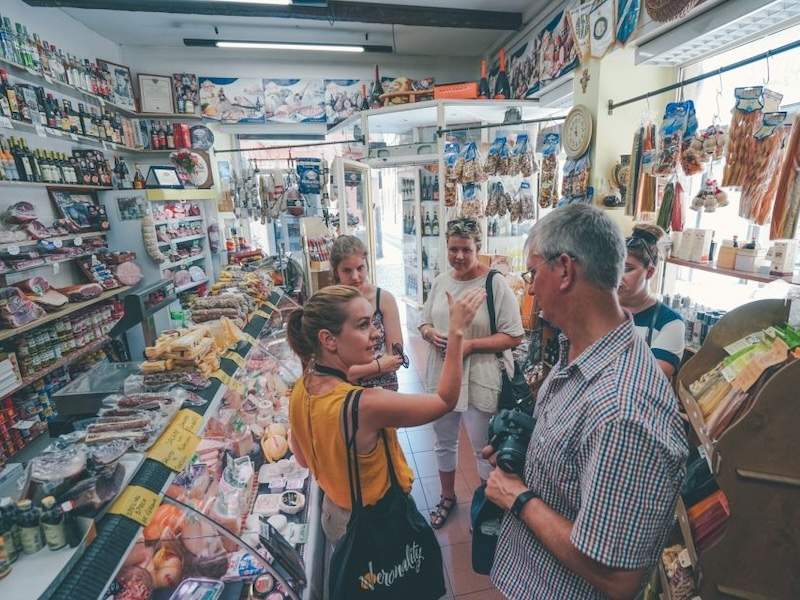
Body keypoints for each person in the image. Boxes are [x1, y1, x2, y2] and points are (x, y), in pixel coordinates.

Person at [485, 204, 689, 600]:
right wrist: (530, 453)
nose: (529, 288)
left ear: (564, 270)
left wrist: (516, 495)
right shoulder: (576, 349)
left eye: (532, 273)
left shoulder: (623, 409)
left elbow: (617, 576)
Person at [287, 284, 485, 548]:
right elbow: (445, 400)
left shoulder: (302, 388)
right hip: (376, 524)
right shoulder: (365, 405)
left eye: (373, 322)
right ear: (328, 339)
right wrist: (457, 331)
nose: (376, 333)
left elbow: (301, 458)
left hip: (334, 516)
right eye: (362, 325)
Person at [418, 217, 524, 529]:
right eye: (453, 249)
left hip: (480, 377)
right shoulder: (440, 281)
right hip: (442, 375)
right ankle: (447, 497)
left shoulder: (494, 284)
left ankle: (486, 506)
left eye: (466, 249)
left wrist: (469, 345)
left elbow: (514, 335)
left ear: (478, 248)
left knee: (482, 448)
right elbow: (424, 320)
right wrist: (428, 333)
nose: (459, 256)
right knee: (444, 441)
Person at [330, 235, 404, 390]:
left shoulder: (384, 299)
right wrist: (379, 365)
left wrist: (353, 372)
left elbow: (396, 358)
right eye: (347, 270)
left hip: (384, 391)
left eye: (360, 268)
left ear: (367, 265)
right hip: (345, 392)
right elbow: (331, 368)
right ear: (336, 272)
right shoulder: (330, 304)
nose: (355, 277)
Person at [618, 224, 685, 379]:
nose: (617, 276)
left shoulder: (670, 323)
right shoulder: (600, 310)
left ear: (649, 272)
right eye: (614, 266)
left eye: (627, 269)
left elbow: (650, 379)